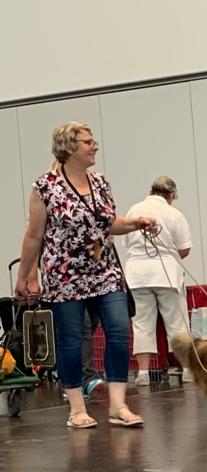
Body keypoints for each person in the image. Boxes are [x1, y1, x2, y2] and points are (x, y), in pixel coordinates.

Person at [15, 122, 155, 429]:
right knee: (71, 340)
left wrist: (136, 223)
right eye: (88, 142)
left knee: (119, 329)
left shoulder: (101, 182)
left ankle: (118, 405)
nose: (95, 146)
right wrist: (26, 276)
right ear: (68, 148)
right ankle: (77, 409)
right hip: (65, 274)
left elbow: (108, 223)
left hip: (104, 270)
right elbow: (34, 235)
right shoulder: (45, 187)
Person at [122, 176, 195, 386]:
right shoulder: (174, 214)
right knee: (176, 323)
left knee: (141, 324)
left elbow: (127, 243)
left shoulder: (134, 210)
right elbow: (185, 249)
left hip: (137, 275)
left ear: (151, 190)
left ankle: (143, 374)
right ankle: (187, 370)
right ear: (171, 195)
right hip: (167, 274)